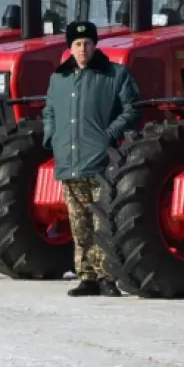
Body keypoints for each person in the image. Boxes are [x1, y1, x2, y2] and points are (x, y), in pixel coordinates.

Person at [43, 20, 139, 297]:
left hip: (101, 162)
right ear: (69, 48)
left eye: (87, 43)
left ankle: (108, 276)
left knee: (102, 222)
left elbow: (131, 110)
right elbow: (49, 110)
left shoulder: (115, 75)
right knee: (78, 222)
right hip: (69, 159)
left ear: (95, 45)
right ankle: (87, 276)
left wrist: (108, 135)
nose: (82, 48)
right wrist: (51, 137)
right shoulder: (58, 78)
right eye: (77, 44)